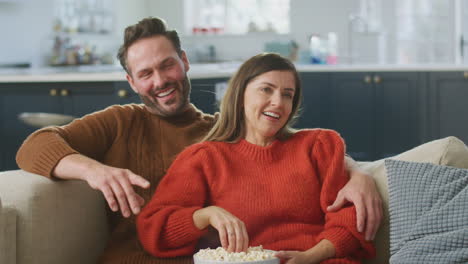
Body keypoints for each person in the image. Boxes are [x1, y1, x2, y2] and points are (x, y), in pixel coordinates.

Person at [16, 17, 381, 264]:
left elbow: (289, 149)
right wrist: (95, 171)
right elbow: (34, 145)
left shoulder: (222, 134)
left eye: (167, 65)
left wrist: (357, 170)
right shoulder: (120, 121)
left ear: (184, 61)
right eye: (145, 73)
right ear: (132, 82)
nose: (160, 80)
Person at [137, 53, 375, 264]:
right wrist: (205, 214)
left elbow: (351, 217)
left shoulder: (317, 147)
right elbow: (155, 231)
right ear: (240, 95)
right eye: (266, 89)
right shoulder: (204, 159)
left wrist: (311, 256)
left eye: (287, 95)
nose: (278, 102)